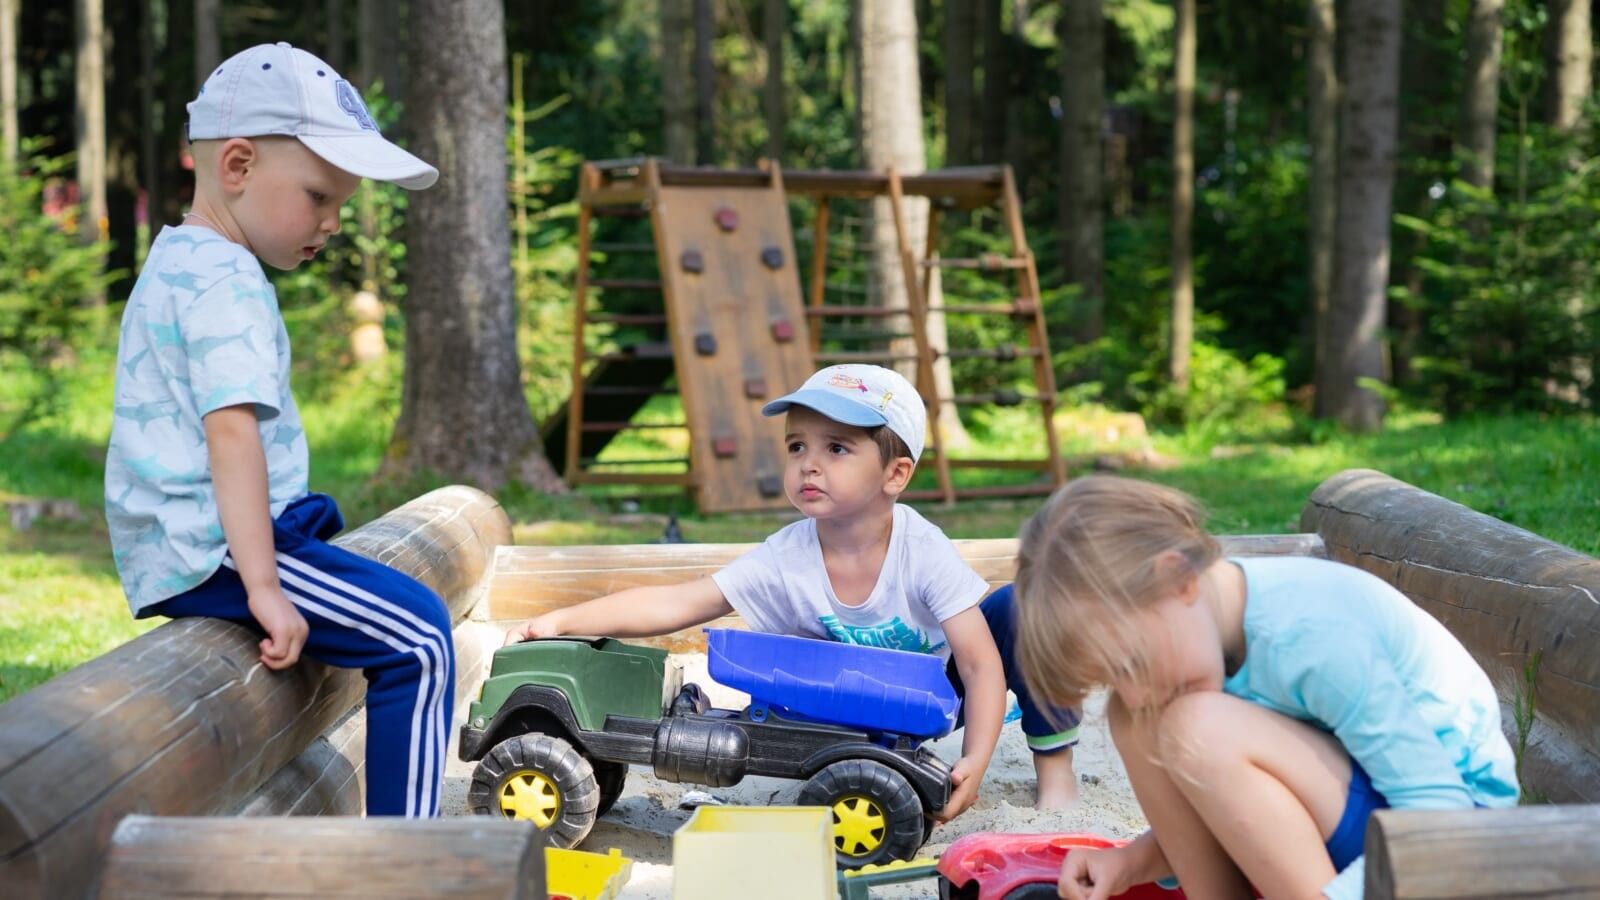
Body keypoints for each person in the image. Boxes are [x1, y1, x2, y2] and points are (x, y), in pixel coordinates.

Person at [105, 42, 451, 817]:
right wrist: (264, 585)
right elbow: (231, 434)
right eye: (320, 197)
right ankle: (418, 863)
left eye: (342, 206)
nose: (331, 223)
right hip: (219, 551)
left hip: (193, 541)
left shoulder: (180, 261)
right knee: (422, 639)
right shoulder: (227, 282)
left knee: (383, 601)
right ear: (237, 166)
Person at [509, 364, 1081, 816]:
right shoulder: (788, 554)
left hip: (930, 692)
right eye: (796, 446)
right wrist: (562, 621)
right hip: (840, 707)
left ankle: (1055, 769)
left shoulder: (921, 549)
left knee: (1022, 610)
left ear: (895, 475)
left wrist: (975, 761)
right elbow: (682, 601)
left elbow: (981, 667)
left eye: (836, 448)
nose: (809, 465)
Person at [1012, 476, 1519, 900]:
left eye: (1134, 663)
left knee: (1198, 728)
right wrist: (1129, 863)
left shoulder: (1311, 635)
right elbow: (1246, 805)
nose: (1137, 691)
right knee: (1135, 718)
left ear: (1179, 580)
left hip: (1450, 840)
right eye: (1113, 678)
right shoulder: (1197, 641)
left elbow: (1440, 814)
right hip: (1361, 824)